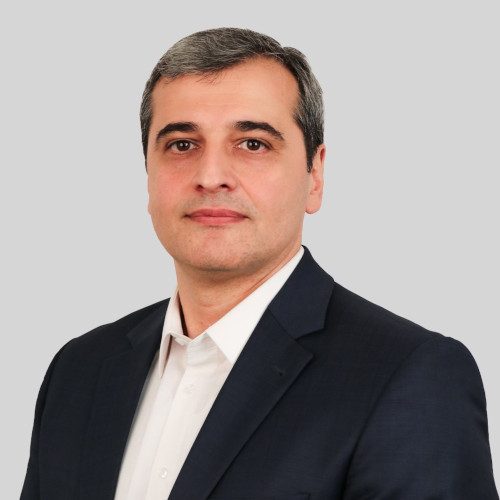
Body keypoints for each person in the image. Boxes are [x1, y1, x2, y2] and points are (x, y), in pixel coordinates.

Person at [21, 27, 498, 500]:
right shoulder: (79, 371)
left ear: (315, 175)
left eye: (252, 143)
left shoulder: (410, 375)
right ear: (148, 173)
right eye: (182, 144)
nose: (211, 176)